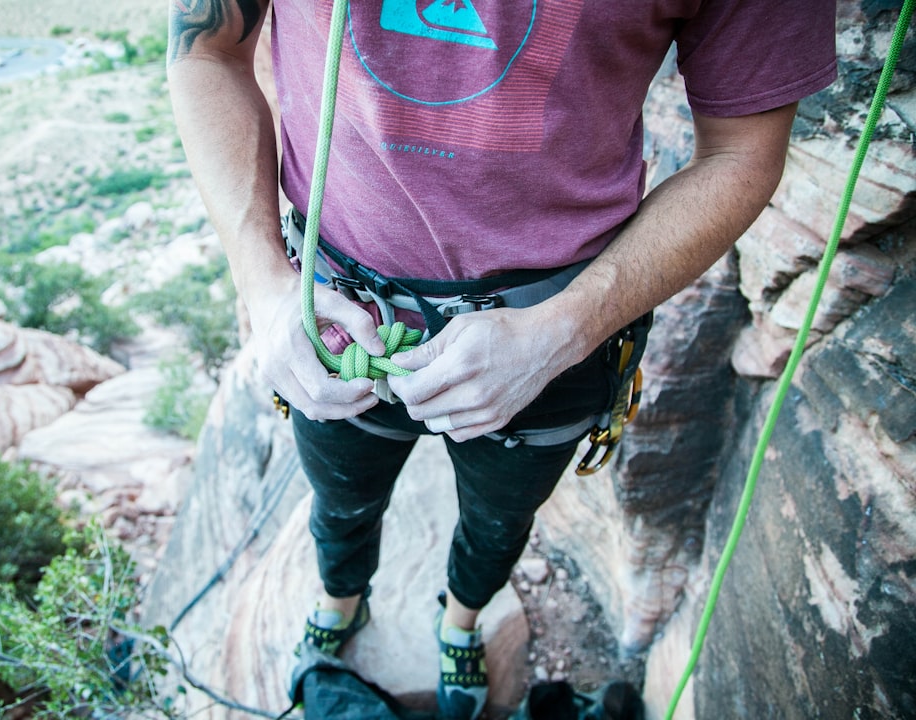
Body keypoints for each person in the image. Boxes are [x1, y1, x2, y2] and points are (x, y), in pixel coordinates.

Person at [166, 2, 837, 718]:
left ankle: (461, 621)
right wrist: (264, 282)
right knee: (341, 501)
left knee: (496, 523)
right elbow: (207, 51)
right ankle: (342, 599)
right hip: (333, 310)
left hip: (552, 339)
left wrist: (564, 330)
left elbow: (741, 150)